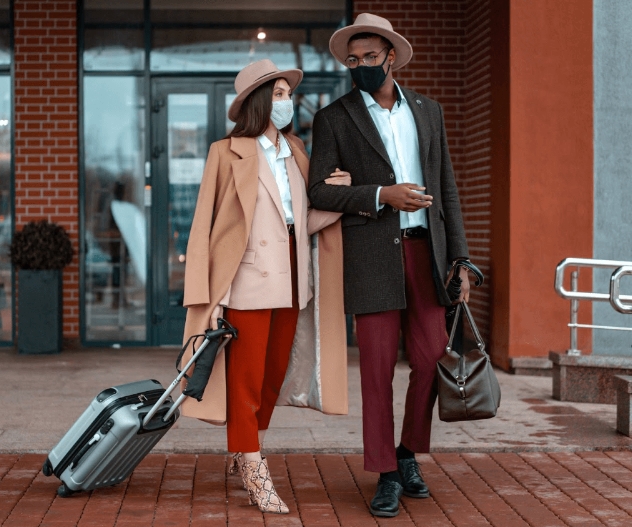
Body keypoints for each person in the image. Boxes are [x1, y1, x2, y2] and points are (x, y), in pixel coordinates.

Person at [308, 13, 471, 518]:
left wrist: (461, 258)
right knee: (377, 370)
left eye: (369, 58)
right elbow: (318, 191)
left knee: (429, 358)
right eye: (352, 61)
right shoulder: (333, 117)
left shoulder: (428, 111)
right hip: (372, 253)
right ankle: (384, 472)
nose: (360, 67)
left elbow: (446, 188)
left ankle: (407, 453)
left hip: (428, 252)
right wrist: (382, 194)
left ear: (391, 58)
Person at [180, 59, 350, 514]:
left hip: (295, 284)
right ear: (258, 101)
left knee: (273, 378)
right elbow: (205, 226)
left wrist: (342, 199)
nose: (286, 102)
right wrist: (208, 298)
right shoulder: (226, 151)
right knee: (246, 383)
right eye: (276, 95)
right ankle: (255, 471)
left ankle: (241, 448)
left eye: (286, 94)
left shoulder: (296, 149)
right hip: (247, 284)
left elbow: (303, 220)